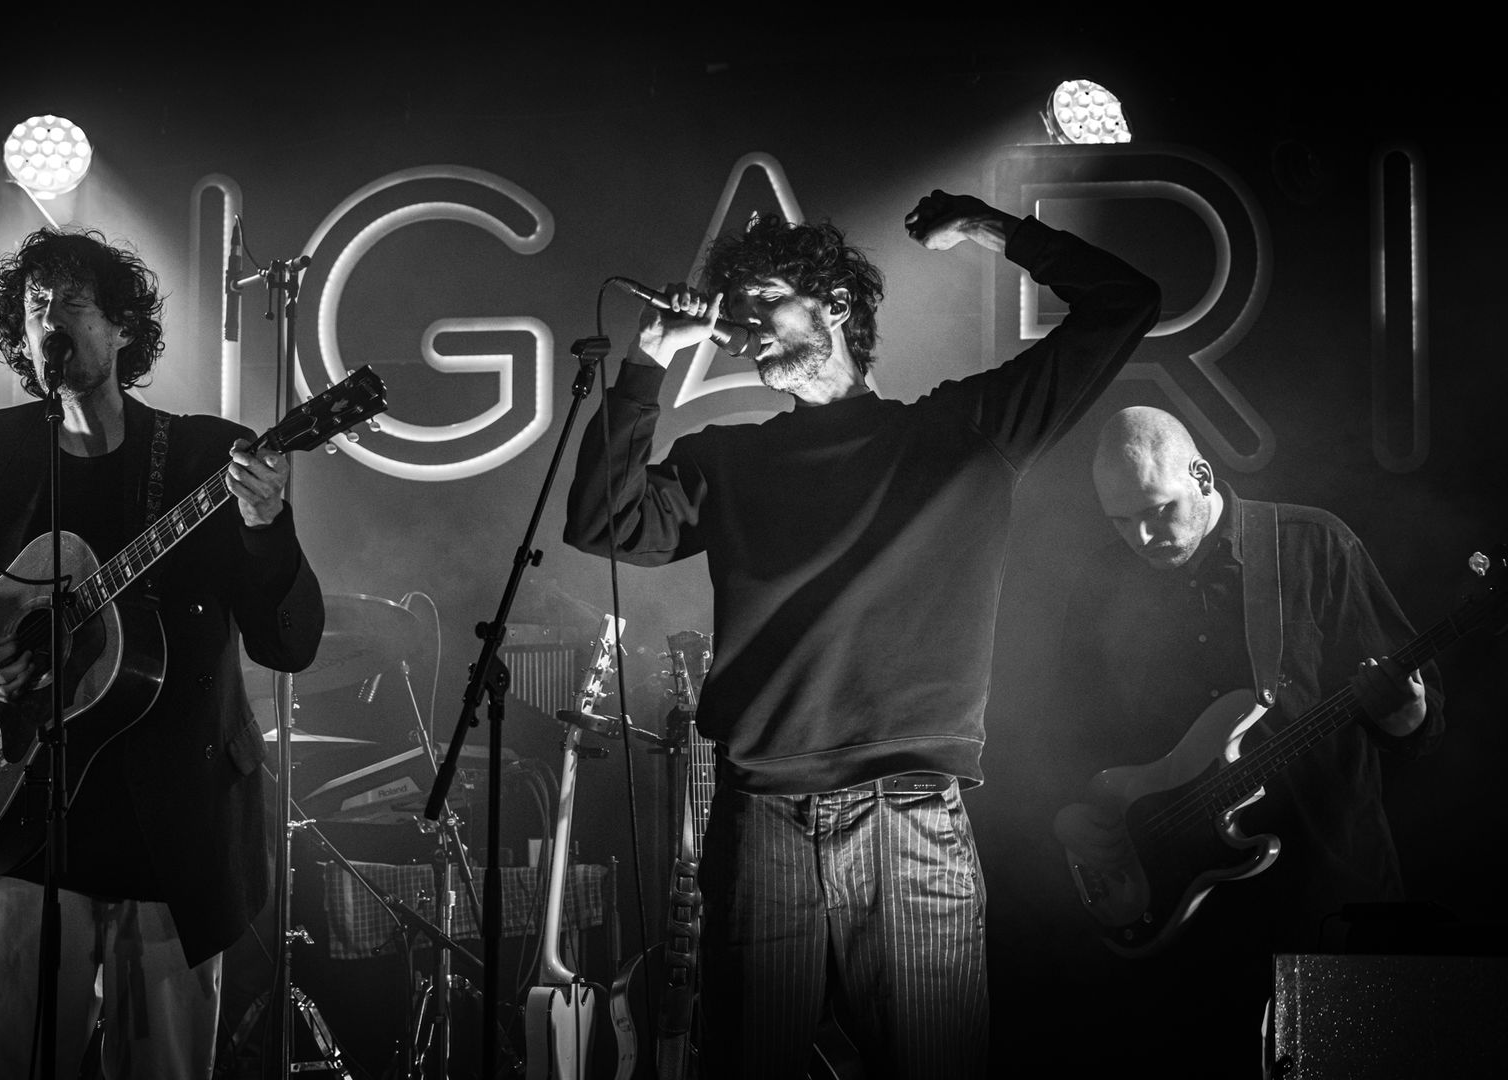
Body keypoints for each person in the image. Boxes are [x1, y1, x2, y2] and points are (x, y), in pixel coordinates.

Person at [563, 191, 1161, 1078]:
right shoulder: (728, 461)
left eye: (765, 298)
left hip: (907, 817)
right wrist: (645, 369)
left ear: (834, 306)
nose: (745, 324)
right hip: (759, 819)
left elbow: (1125, 303)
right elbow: (604, 524)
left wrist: (991, 226)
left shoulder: (964, 435)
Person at [0, 228, 324, 1079]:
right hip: (24, 823)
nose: (50, 322)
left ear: (121, 328)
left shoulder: (201, 456)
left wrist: (268, 528)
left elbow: (289, 642)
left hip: (176, 833)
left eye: (71, 303)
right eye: (33, 307)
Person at [1047, 405, 1442, 1074]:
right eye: (1120, 521)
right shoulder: (1102, 582)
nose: (1143, 536)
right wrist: (1069, 817)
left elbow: (1416, 726)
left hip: (1328, 894)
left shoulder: (1313, 546)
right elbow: (1072, 730)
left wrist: (1408, 712)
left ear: (1201, 474)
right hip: (1186, 919)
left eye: (1159, 510)